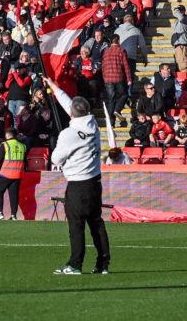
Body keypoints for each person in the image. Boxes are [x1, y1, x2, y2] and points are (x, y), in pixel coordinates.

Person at [52, 96, 109, 276]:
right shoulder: (94, 126)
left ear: (71, 113)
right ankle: (103, 263)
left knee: (76, 226)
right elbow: (73, 105)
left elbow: (56, 159)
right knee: (96, 224)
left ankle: (75, 264)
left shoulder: (68, 134)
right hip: (94, 183)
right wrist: (53, 86)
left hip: (77, 184)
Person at [0, 127, 28, 220]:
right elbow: (25, 161)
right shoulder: (23, 146)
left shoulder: (4, 144)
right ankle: (13, 215)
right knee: (14, 195)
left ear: (7, 135)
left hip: (5, 174)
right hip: (18, 174)